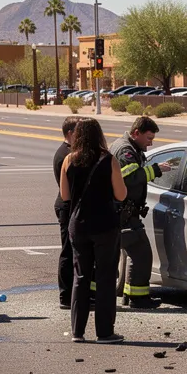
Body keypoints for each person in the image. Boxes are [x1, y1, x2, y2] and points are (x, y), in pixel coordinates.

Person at [59, 118, 128, 343]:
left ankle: (77, 332)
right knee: (106, 276)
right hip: (105, 224)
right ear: (99, 135)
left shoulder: (69, 160)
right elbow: (121, 195)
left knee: (80, 276)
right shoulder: (108, 160)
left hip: (78, 225)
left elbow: (65, 195)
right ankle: (105, 332)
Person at [110, 116, 162, 308]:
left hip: (123, 212)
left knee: (134, 253)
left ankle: (131, 296)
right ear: (136, 133)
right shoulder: (126, 151)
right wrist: (156, 170)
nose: (151, 143)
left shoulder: (129, 147)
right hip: (123, 213)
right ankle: (137, 298)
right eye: (148, 138)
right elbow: (130, 178)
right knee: (141, 252)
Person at [52, 116, 83, 309]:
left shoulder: (69, 152)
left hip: (68, 205)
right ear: (70, 133)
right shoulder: (66, 154)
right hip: (67, 206)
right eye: (80, 132)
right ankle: (66, 296)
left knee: (73, 251)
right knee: (68, 252)